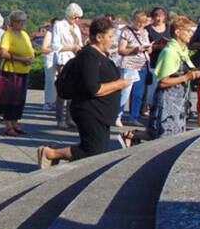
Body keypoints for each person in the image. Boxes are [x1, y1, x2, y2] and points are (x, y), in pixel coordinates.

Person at [37, 17, 133, 168]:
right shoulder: (89, 56)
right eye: (109, 36)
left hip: (101, 113)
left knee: (98, 150)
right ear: (99, 37)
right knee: (93, 152)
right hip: (90, 111)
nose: (112, 40)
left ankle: (58, 157)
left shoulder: (100, 55)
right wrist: (119, 84)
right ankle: (51, 153)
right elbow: (93, 89)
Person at [147, 16, 200, 139]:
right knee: (165, 137)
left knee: (175, 135)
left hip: (179, 100)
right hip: (168, 101)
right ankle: (131, 136)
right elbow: (163, 82)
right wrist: (187, 77)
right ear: (178, 32)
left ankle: (132, 136)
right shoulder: (170, 52)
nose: (191, 34)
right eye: (188, 30)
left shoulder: (183, 50)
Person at [0, 10, 35, 136]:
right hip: (11, 71)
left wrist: (31, 58)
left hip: (24, 71)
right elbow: (3, 53)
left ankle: (15, 123)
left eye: (24, 21)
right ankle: (8, 125)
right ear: (12, 22)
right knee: (10, 99)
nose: (23, 23)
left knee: (20, 99)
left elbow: (30, 50)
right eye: (20, 21)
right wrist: (21, 59)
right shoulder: (8, 34)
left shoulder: (24, 34)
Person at [52, 3, 84, 128]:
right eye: (75, 17)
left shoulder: (76, 28)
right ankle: (60, 119)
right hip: (63, 60)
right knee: (63, 89)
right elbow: (55, 45)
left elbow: (79, 43)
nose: (77, 20)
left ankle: (70, 117)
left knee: (73, 90)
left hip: (74, 60)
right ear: (70, 15)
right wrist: (72, 47)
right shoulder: (59, 25)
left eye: (79, 18)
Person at [116, 10, 151, 127]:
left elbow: (148, 46)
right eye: (139, 22)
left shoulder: (145, 32)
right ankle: (117, 116)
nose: (141, 25)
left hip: (143, 65)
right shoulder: (126, 32)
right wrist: (135, 50)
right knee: (125, 93)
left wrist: (148, 49)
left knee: (138, 94)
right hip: (130, 66)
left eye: (143, 22)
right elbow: (121, 50)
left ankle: (134, 117)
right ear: (134, 20)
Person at [145, 6, 170, 111]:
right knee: (152, 88)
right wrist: (157, 46)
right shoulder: (148, 29)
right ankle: (150, 108)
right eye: (156, 16)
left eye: (161, 16)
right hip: (153, 61)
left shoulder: (169, 28)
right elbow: (146, 45)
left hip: (167, 61)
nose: (159, 19)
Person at [41, 18, 58, 110]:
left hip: (58, 60)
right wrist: (54, 48)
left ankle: (55, 101)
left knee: (57, 82)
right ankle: (48, 102)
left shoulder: (59, 35)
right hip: (50, 60)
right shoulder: (49, 34)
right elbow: (44, 49)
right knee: (50, 81)